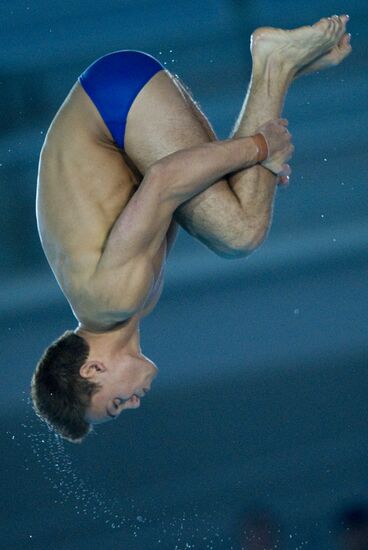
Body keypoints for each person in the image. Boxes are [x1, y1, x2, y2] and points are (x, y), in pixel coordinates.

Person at [31, 15, 351, 442]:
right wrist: (254, 165)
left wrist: (259, 149)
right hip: (116, 102)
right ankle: (278, 69)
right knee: (234, 221)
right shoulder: (125, 305)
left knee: (238, 233)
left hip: (116, 102)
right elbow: (179, 195)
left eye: (117, 402)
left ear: (93, 368)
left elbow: (165, 180)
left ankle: (274, 66)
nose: (135, 402)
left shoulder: (111, 298)